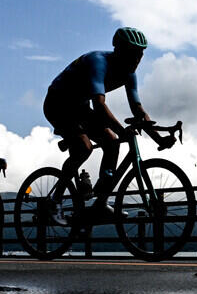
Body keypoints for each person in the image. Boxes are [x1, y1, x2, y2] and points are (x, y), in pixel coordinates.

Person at [43, 27, 166, 225]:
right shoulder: (98, 61)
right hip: (57, 104)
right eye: (133, 54)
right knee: (84, 147)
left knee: (112, 141)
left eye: (140, 55)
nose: (137, 60)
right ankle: (53, 201)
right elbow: (99, 105)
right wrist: (121, 129)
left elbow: (138, 110)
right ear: (119, 51)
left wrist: (159, 137)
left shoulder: (129, 74)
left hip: (79, 106)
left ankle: (100, 203)